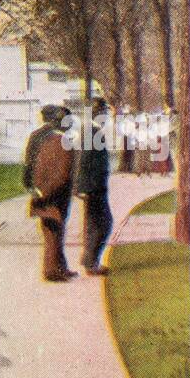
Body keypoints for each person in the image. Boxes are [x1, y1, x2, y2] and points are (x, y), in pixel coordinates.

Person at [25, 105, 78, 283]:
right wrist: (43, 192)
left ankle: (60, 266)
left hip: (45, 193)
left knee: (54, 230)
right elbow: (61, 174)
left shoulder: (48, 140)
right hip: (54, 195)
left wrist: (37, 190)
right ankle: (52, 270)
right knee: (54, 232)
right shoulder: (62, 142)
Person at [76, 97, 114, 277]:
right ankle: (91, 263)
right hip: (93, 187)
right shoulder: (91, 131)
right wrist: (82, 188)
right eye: (103, 112)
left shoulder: (91, 129)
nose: (106, 116)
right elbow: (83, 160)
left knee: (95, 224)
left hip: (95, 186)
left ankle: (90, 261)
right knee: (102, 223)